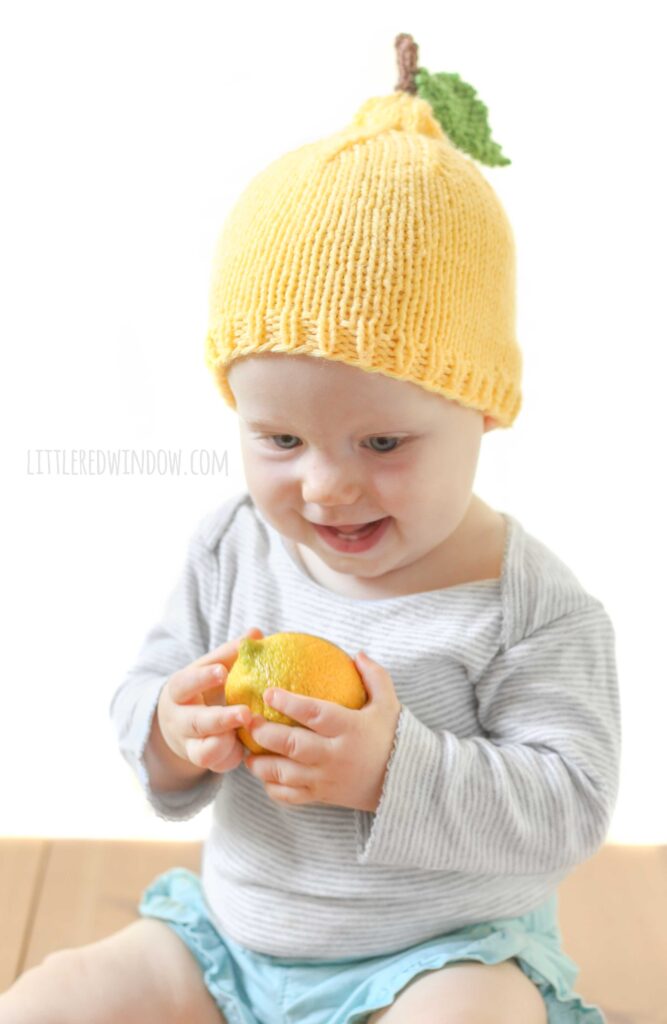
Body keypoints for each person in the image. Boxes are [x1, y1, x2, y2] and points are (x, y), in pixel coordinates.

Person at [1, 34, 620, 1024]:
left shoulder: (529, 606)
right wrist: (171, 725)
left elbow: (568, 804)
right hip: (232, 947)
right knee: (52, 1000)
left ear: (485, 404)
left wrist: (392, 769)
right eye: (279, 436)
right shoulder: (234, 546)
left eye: (380, 439)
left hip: (437, 956)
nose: (327, 487)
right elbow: (141, 693)